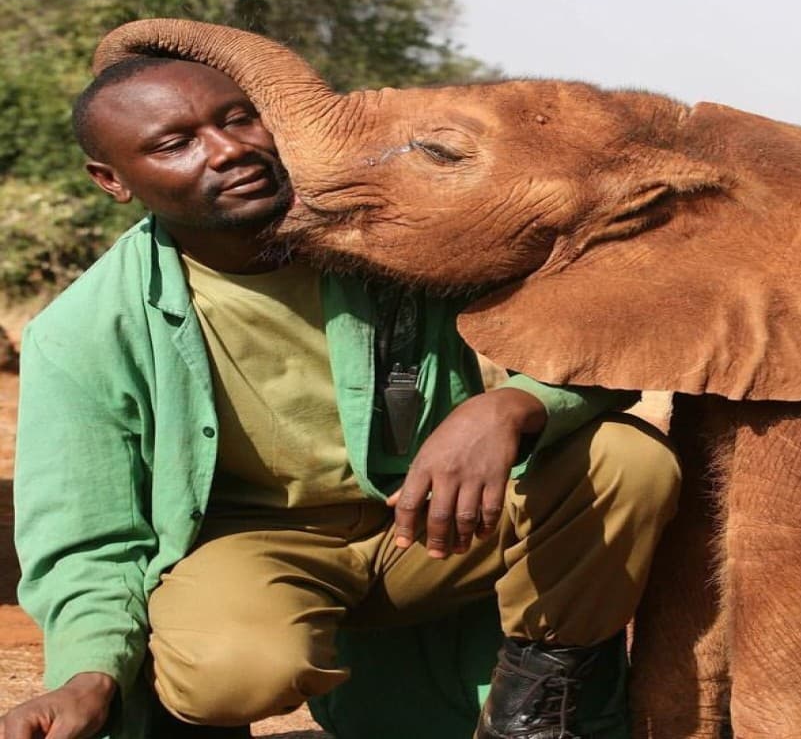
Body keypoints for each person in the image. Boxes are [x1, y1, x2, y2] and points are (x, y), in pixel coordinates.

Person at [2, 57, 681, 739]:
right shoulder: (82, 332)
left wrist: (511, 406)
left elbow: (608, 345)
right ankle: (179, 698)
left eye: (240, 118)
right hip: (257, 553)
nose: (230, 148)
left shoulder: (396, 240)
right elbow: (89, 541)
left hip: (434, 527)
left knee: (626, 458)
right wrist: (88, 676)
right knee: (234, 668)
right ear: (112, 180)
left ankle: (536, 712)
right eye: (175, 144)